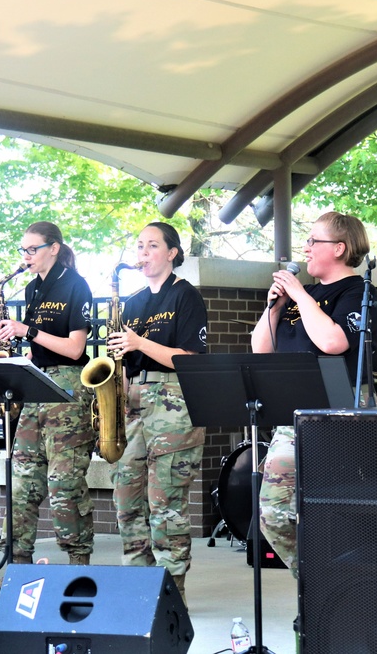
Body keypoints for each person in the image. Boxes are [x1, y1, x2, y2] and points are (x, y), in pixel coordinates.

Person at [0, 222, 96, 604]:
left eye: (32, 250)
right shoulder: (32, 287)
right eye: (22, 250)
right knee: (21, 484)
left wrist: (28, 331)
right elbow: (39, 344)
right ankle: (15, 576)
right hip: (36, 385)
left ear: (54, 248)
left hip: (69, 387)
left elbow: (74, 349)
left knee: (64, 485)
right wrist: (22, 350)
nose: (25, 258)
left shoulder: (77, 285)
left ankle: (80, 574)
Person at [251, 212, 377, 577]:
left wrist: (298, 293)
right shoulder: (298, 297)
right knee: (273, 513)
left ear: (339, 249)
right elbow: (261, 349)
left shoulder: (359, 292)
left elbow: (333, 341)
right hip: (293, 412)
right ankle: (316, 578)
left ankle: (334, 583)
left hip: (338, 413)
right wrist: (275, 307)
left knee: (333, 509)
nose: (305, 249)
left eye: (313, 241)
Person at [105, 221, 207, 607]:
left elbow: (189, 360)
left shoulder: (186, 296)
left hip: (175, 400)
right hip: (135, 402)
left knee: (166, 505)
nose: (143, 253)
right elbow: (125, 361)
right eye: (139, 246)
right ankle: (138, 587)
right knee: (127, 498)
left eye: (152, 246)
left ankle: (172, 593)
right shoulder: (131, 302)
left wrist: (138, 341)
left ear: (172, 253)